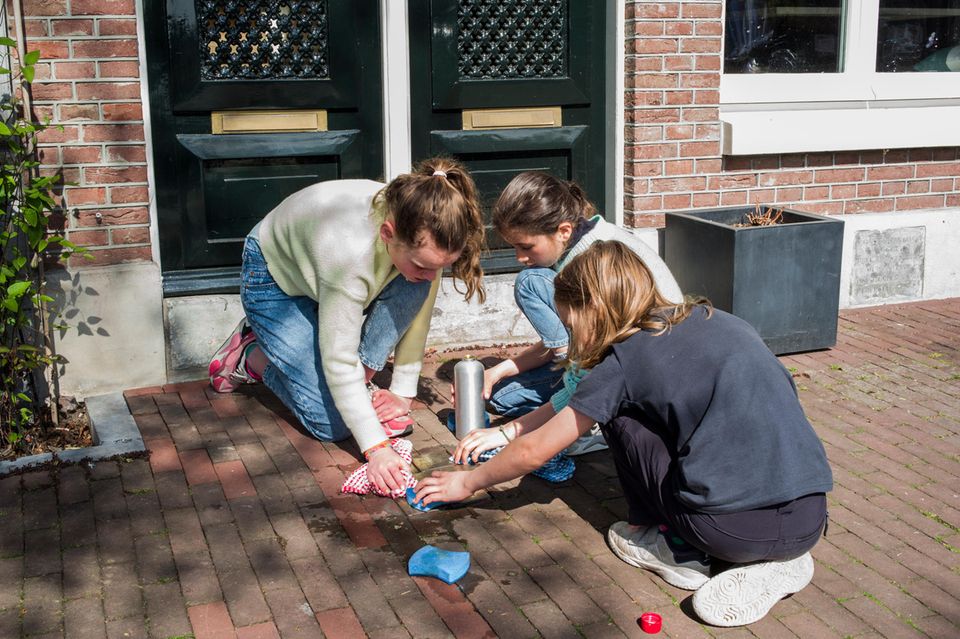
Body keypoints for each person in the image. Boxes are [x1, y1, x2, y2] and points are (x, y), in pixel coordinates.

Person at [416, 240, 833, 627]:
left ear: (592, 308)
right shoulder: (721, 319)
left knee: (618, 416)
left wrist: (467, 482)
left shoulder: (623, 361)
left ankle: (676, 550)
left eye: (569, 322)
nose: (571, 335)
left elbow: (535, 452)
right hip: (811, 517)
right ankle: (782, 558)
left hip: (726, 532)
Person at [208, 158, 485, 496]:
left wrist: (402, 392)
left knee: (413, 286)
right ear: (388, 234)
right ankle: (251, 353)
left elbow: (419, 309)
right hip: (274, 282)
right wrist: (376, 449)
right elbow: (338, 360)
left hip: (322, 274)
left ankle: (362, 382)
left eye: (440, 268)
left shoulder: (426, 233)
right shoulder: (350, 256)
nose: (431, 277)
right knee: (332, 424)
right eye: (422, 266)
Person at [475, 171, 682, 456]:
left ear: (563, 231)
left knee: (530, 281)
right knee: (503, 398)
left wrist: (507, 433)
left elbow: (583, 377)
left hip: (652, 368)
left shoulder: (589, 269)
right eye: (514, 247)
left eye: (526, 246)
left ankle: (594, 428)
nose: (519, 257)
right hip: (636, 352)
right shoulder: (586, 239)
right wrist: (500, 370)